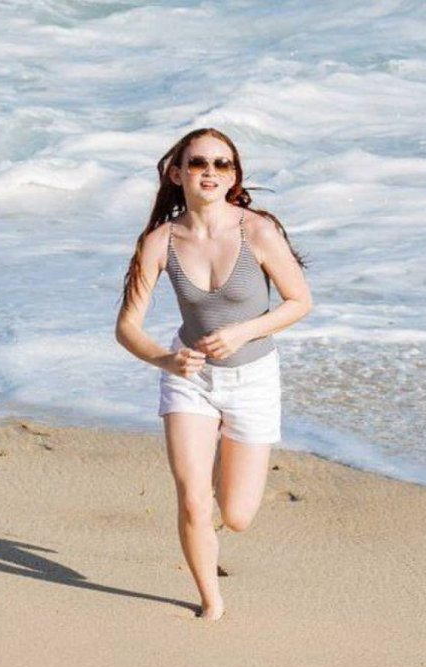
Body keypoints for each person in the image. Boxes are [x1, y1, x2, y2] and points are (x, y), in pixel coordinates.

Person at [115, 128, 311, 620]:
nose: (210, 172)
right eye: (199, 162)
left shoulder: (258, 232)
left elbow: (299, 301)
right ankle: (210, 601)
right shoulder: (160, 242)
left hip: (254, 379)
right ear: (177, 173)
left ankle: (224, 450)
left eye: (222, 164)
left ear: (234, 176)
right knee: (192, 498)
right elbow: (127, 327)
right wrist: (166, 360)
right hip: (191, 378)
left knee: (238, 517)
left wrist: (243, 332)